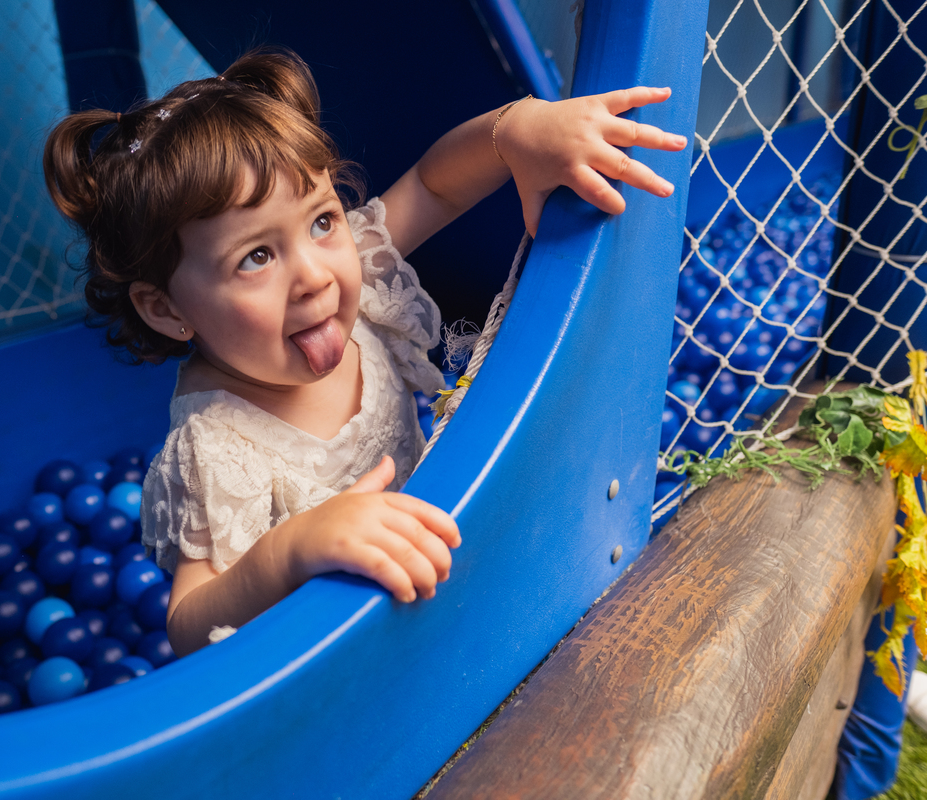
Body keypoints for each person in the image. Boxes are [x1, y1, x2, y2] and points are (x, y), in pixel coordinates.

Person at [43, 47, 686, 656]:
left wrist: (515, 129)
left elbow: (434, 187)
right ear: (167, 308)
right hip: (344, 659)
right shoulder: (218, 445)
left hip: (440, 571)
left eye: (321, 221)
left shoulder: (354, 270)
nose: (316, 275)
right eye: (256, 257)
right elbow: (187, 624)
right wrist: (292, 550)